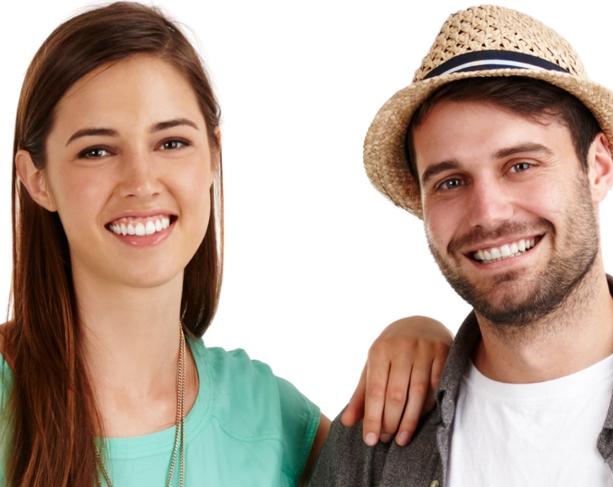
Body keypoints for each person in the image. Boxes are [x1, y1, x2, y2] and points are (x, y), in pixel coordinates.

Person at [0, 3, 455, 486]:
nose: (142, 180)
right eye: (96, 150)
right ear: (37, 179)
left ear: (213, 156)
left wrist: (423, 334)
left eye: (171, 143)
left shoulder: (271, 419)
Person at [309, 4, 613, 487]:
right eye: (450, 182)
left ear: (597, 167)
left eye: (521, 165)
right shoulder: (379, 434)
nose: (488, 213)